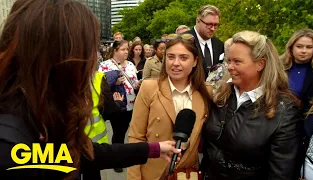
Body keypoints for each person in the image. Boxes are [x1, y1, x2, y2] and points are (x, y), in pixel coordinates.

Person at [0, 1, 181, 179]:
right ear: (59, 59)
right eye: (88, 51)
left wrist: (153, 149)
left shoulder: (37, 108)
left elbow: (76, 154)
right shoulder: (10, 144)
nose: (92, 64)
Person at [201, 31, 301, 180]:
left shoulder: (284, 110)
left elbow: (281, 172)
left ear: (260, 64)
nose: (229, 67)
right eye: (229, 61)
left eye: (237, 62)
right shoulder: (222, 95)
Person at [127, 34, 212, 180]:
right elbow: (136, 137)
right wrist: (134, 177)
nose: (176, 63)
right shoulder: (150, 88)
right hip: (153, 172)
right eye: (171, 57)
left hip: (187, 173)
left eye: (184, 58)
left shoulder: (206, 92)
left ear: (195, 61)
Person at [98, 40, 140, 172]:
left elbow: (134, 82)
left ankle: (117, 156)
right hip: (115, 104)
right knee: (118, 132)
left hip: (130, 104)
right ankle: (116, 159)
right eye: (123, 49)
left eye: (127, 49)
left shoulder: (131, 65)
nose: (126, 52)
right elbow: (100, 86)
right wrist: (113, 82)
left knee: (122, 131)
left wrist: (138, 85)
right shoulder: (105, 65)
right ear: (115, 51)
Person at [280, 29, 313, 112]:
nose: (304, 51)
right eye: (299, 46)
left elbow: (311, 106)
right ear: (291, 48)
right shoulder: (278, 66)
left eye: (309, 47)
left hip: (297, 120)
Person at [185, 5, 224, 79]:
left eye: (216, 25)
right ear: (198, 21)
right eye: (209, 24)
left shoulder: (219, 44)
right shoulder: (183, 41)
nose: (213, 29)